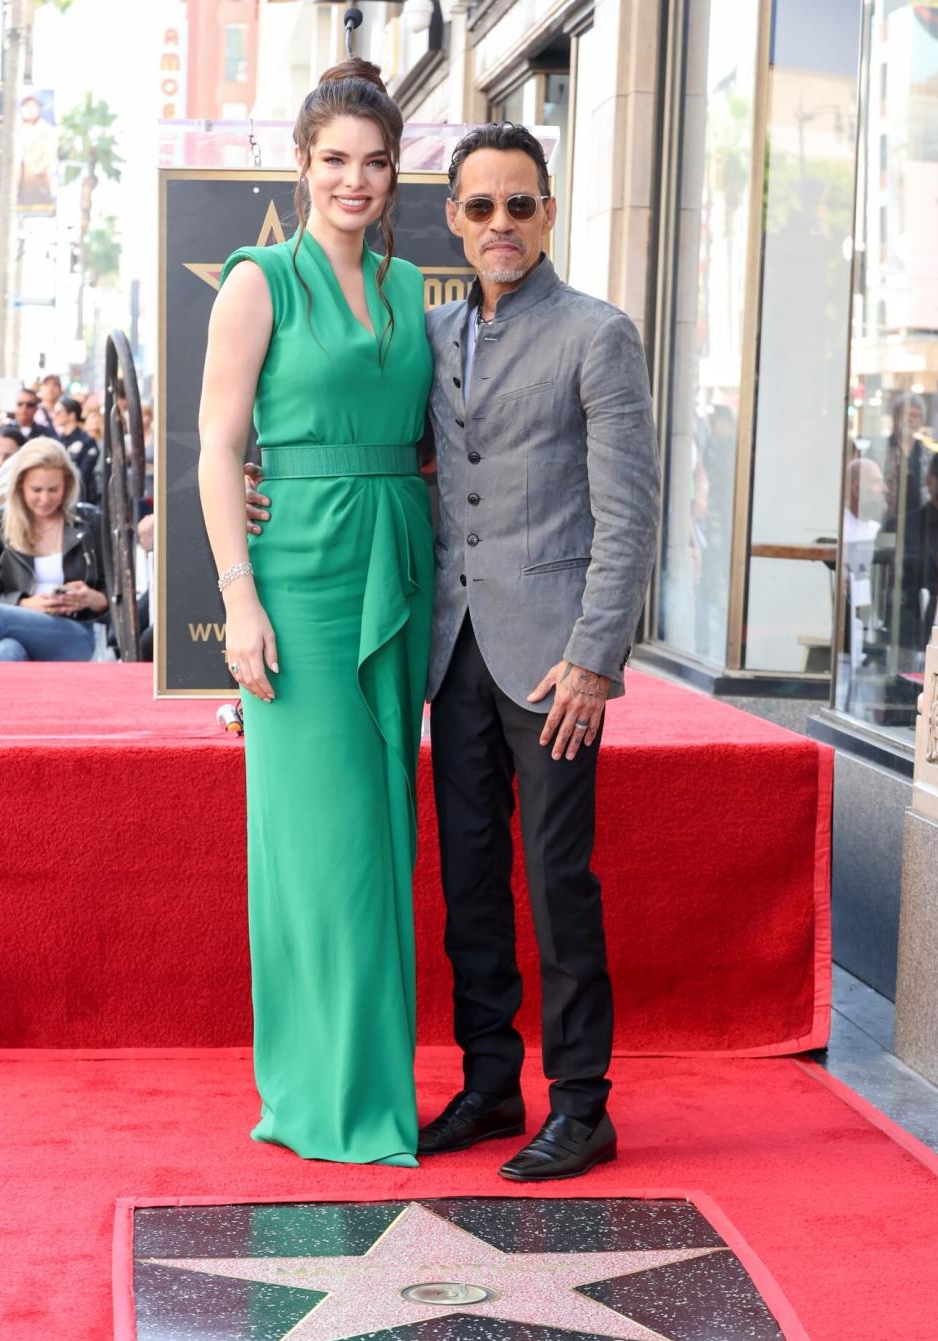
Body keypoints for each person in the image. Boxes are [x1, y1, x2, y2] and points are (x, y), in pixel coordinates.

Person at [247, 121, 661, 1181]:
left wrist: (597, 656)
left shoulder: (599, 333)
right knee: (470, 877)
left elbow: (629, 514)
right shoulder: (429, 332)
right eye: (479, 208)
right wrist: (266, 485)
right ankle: (488, 1085)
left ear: (549, 212)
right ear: (453, 220)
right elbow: (369, 439)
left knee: (557, 877)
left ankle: (582, 1102)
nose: (500, 225)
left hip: (555, 660)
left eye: (520, 204)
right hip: (451, 651)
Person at [198, 59, 433, 1167]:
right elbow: (213, 448)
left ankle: (380, 1086)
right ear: (301, 168)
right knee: (323, 848)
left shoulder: (407, 290)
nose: (355, 179)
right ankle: (321, 1096)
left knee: (386, 835)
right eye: (334, 160)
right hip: (297, 580)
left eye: (375, 162)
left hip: (397, 565)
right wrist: (237, 600)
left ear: (395, 176)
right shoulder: (259, 281)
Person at [0, 437, 108, 661]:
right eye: (36, 490)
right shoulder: (0, 523)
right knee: (6, 651)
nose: (45, 499)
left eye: (53, 490)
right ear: (21, 485)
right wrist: (24, 603)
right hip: (16, 627)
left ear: (67, 484)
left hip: (78, 632)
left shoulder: (91, 521)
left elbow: (119, 596)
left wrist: (92, 598)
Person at [52, 396, 101, 503]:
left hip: (80, 496)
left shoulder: (87, 441)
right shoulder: (56, 441)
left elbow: (83, 473)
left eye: (59, 412)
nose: (54, 416)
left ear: (71, 415)